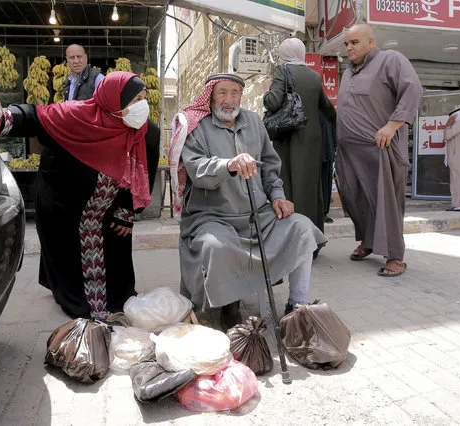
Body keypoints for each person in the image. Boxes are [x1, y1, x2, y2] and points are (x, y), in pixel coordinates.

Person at [0, 71, 160, 319]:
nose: (142, 106)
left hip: (111, 206)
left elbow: (145, 173)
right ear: (114, 100)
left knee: (116, 263)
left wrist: (128, 212)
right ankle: (68, 295)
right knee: (65, 254)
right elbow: (35, 117)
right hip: (64, 201)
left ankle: (111, 300)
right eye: (135, 100)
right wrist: (2, 116)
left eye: (144, 98)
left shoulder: (146, 133)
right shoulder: (76, 116)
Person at [168, 73, 327, 330]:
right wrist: (228, 164)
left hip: (258, 215)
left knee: (302, 228)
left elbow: (271, 166)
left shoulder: (254, 122)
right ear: (210, 96)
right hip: (212, 217)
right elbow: (197, 171)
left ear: (241, 96)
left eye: (234, 93)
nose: (228, 100)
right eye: (222, 93)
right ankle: (228, 304)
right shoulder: (197, 127)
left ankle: (297, 304)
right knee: (215, 246)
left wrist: (278, 196)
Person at [335, 23, 423, 277]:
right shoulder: (348, 72)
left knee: (387, 202)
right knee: (356, 199)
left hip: (380, 150)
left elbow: (413, 90)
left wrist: (392, 125)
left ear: (371, 42)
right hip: (349, 154)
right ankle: (369, 241)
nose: (349, 47)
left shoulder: (390, 60)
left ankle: (395, 256)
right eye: (347, 44)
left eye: (354, 43)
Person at [263, 38, 337, 234]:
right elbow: (327, 108)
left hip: (289, 138)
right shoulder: (314, 76)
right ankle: (314, 239)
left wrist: (266, 91)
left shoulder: (282, 71)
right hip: (312, 140)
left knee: (287, 186)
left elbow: (272, 102)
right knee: (310, 188)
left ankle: (294, 238)